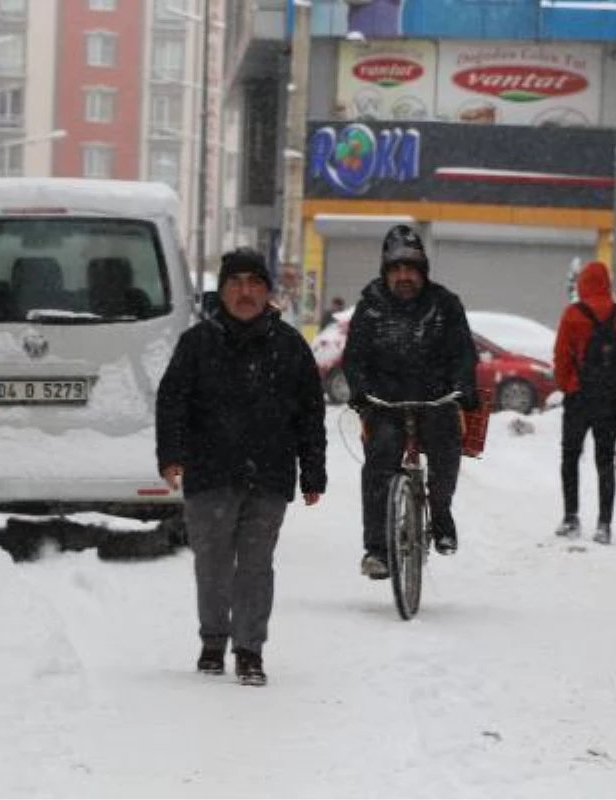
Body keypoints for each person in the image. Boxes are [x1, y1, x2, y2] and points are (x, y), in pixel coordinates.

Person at [155, 248, 327, 686]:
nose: (245, 292)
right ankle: (213, 640)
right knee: (212, 563)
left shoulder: (290, 347)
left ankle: (250, 649)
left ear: (267, 292)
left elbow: (310, 414)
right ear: (223, 290)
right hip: (209, 472)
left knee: (255, 565)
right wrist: (171, 455)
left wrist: (313, 472)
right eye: (235, 283)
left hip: (268, 474)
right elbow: (172, 401)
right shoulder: (197, 343)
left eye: (254, 283)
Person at [343, 224, 478, 579]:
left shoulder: (445, 304)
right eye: (397, 269)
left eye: (411, 269)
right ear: (386, 272)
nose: (404, 276)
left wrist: (464, 385)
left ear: (423, 271)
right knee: (379, 462)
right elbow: (354, 357)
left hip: (435, 399)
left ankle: (442, 512)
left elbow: (464, 353)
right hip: (385, 403)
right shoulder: (369, 307)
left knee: (446, 448)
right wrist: (359, 388)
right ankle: (377, 550)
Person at [552, 260, 616, 544]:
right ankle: (604, 524)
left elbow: (562, 356)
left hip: (579, 396)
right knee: (605, 460)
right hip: (609, 398)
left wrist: (566, 385)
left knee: (570, 457)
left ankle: (571, 517)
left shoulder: (572, 314)